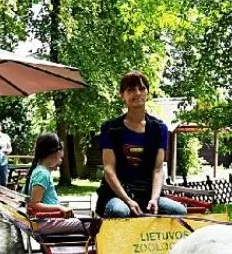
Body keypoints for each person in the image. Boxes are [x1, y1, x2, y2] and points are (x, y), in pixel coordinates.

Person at [97, 70, 187, 217]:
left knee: (179, 211)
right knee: (120, 211)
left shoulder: (159, 128)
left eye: (141, 88)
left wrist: (154, 199)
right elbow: (109, 170)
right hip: (117, 195)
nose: (137, 93)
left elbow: (158, 170)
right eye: (131, 89)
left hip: (147, 194)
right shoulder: (111, 128)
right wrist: (127, 200)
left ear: (147, 93)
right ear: (122, 95)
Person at [25, 133, 75, 218]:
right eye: (60, 157)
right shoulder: (42, 174)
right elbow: (35, 204)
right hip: (48, 221)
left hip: (50, 219)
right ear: (54, 153)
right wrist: (59, 207)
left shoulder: (41, 171)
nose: (60, 161)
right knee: (92, 225)